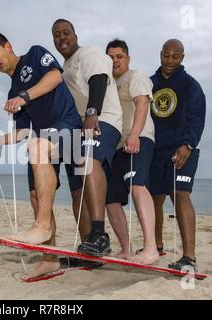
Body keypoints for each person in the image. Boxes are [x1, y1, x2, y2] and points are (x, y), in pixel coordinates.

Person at [0, 32, 82, 276]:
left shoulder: (34, 54)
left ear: (8, 46)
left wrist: (24, 96)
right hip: (41, 136)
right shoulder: (12, 88)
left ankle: (42, 226)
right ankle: (50, 259)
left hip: (68, 125)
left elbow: (56, 76)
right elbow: (23, 131)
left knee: (36, 146)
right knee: (36, 196)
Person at [52, 19, 122, 257]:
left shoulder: (88, 53)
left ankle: (100, 234)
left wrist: (93, 112)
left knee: (89, 161)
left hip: (104, 119)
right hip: (77, 129)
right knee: (76, 191)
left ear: (75, 34)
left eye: (66, 33)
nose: (61, 38)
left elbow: (99, 79)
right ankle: (89, 250)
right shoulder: (64, 68)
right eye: (56, 35)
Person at [150, 39, 206, 271]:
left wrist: (187, 145)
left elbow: (197, 118)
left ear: (182, 57)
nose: (170, 61)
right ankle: (157, 245)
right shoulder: (149, 83)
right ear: (160, 54)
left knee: (180, 194)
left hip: (181, 149)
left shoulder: (191, 85)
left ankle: (189, 257)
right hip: (154, 150)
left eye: (175, 56)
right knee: (153, 199)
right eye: (166, 55)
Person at [105, 39, 159, 265]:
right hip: (119, 144)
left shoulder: (137, 77)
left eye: (119, 56)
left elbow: (143, 104)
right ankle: (126, 249)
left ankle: (150, 248)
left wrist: (135, 135)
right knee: (111, 198)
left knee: (138, 186)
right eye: (110, 57)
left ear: (128, 58)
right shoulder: (108, 83)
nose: (115, 61)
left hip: (139, 138)